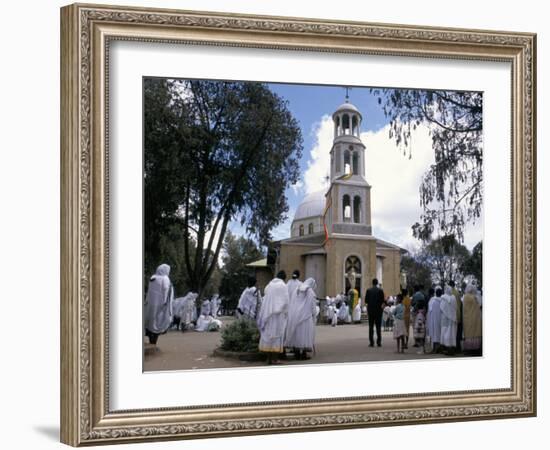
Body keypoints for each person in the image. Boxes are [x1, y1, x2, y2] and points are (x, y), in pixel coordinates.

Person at [257, 271, 290, 365]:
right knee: (277, 335)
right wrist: (286, 312)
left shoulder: (270, 285)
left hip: (268, 314)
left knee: (268, 335)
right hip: (277, 315)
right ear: (284, 278)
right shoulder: (283, 286)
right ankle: (275, 360)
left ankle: (268, 359)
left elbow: (265, 295)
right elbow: (286, 301)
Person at [285, 278, 318, 360]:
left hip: (295, 314)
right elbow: (312, 305)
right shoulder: (310, 291)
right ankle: (303, 354)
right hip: (306, 316)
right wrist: (314, 313)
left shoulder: (297, 289)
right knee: (304, 334)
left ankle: (296, 353)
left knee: (296, 334)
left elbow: (292, 301)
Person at [144, 264, 173, 345]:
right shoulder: (165, 278)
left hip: (151, 304)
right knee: (159, 322)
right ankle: (154, 342)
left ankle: (151, 340)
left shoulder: (153, 277)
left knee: (151, 322)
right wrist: (165, 303)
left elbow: (149, 291)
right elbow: (165, 290)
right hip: (160, 305)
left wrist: (146, 301)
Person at [462, 284, 482, 355]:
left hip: (468, 318)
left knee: (469, 334)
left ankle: (470, 350)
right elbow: (479, 304)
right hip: (474, 318)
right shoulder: (472, 297)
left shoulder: (466, 296)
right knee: (473, 333)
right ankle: (474, 350)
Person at [365, 278, 385, 347]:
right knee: (378, 327)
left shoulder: (368, 290)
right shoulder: (380, 290)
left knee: (371, 327)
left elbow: (366, 301)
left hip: (371, 311)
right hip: (378, 311)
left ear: (372, 283)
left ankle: (371, 342)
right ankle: (379, 342)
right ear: (377, 283)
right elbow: (383, 301)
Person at [440, 285, 458, 355]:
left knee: (446, 334)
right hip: (453, 318)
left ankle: (448, 349)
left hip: (445, 319)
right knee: (452, 334)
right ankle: (452, 350)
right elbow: (455, 307)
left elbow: (441, 308)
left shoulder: (443, 298)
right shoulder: (453, 298)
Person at [426, 287, 443, 353]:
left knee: (434, 334)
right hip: (441, 320)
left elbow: (429, 311)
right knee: (440, 333)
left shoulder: (432, 300)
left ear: (436, 293)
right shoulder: (443, 300)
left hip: (433, 320)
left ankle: (435, 349)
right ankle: (440, 348)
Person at [449, 280, 463, 352]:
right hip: (458, 313)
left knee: (452, 331)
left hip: (452, 314)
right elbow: (460, 303)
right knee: (457, 331)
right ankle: (458, 347)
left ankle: (453, 347)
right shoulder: (457, 292)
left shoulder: (450, 293)